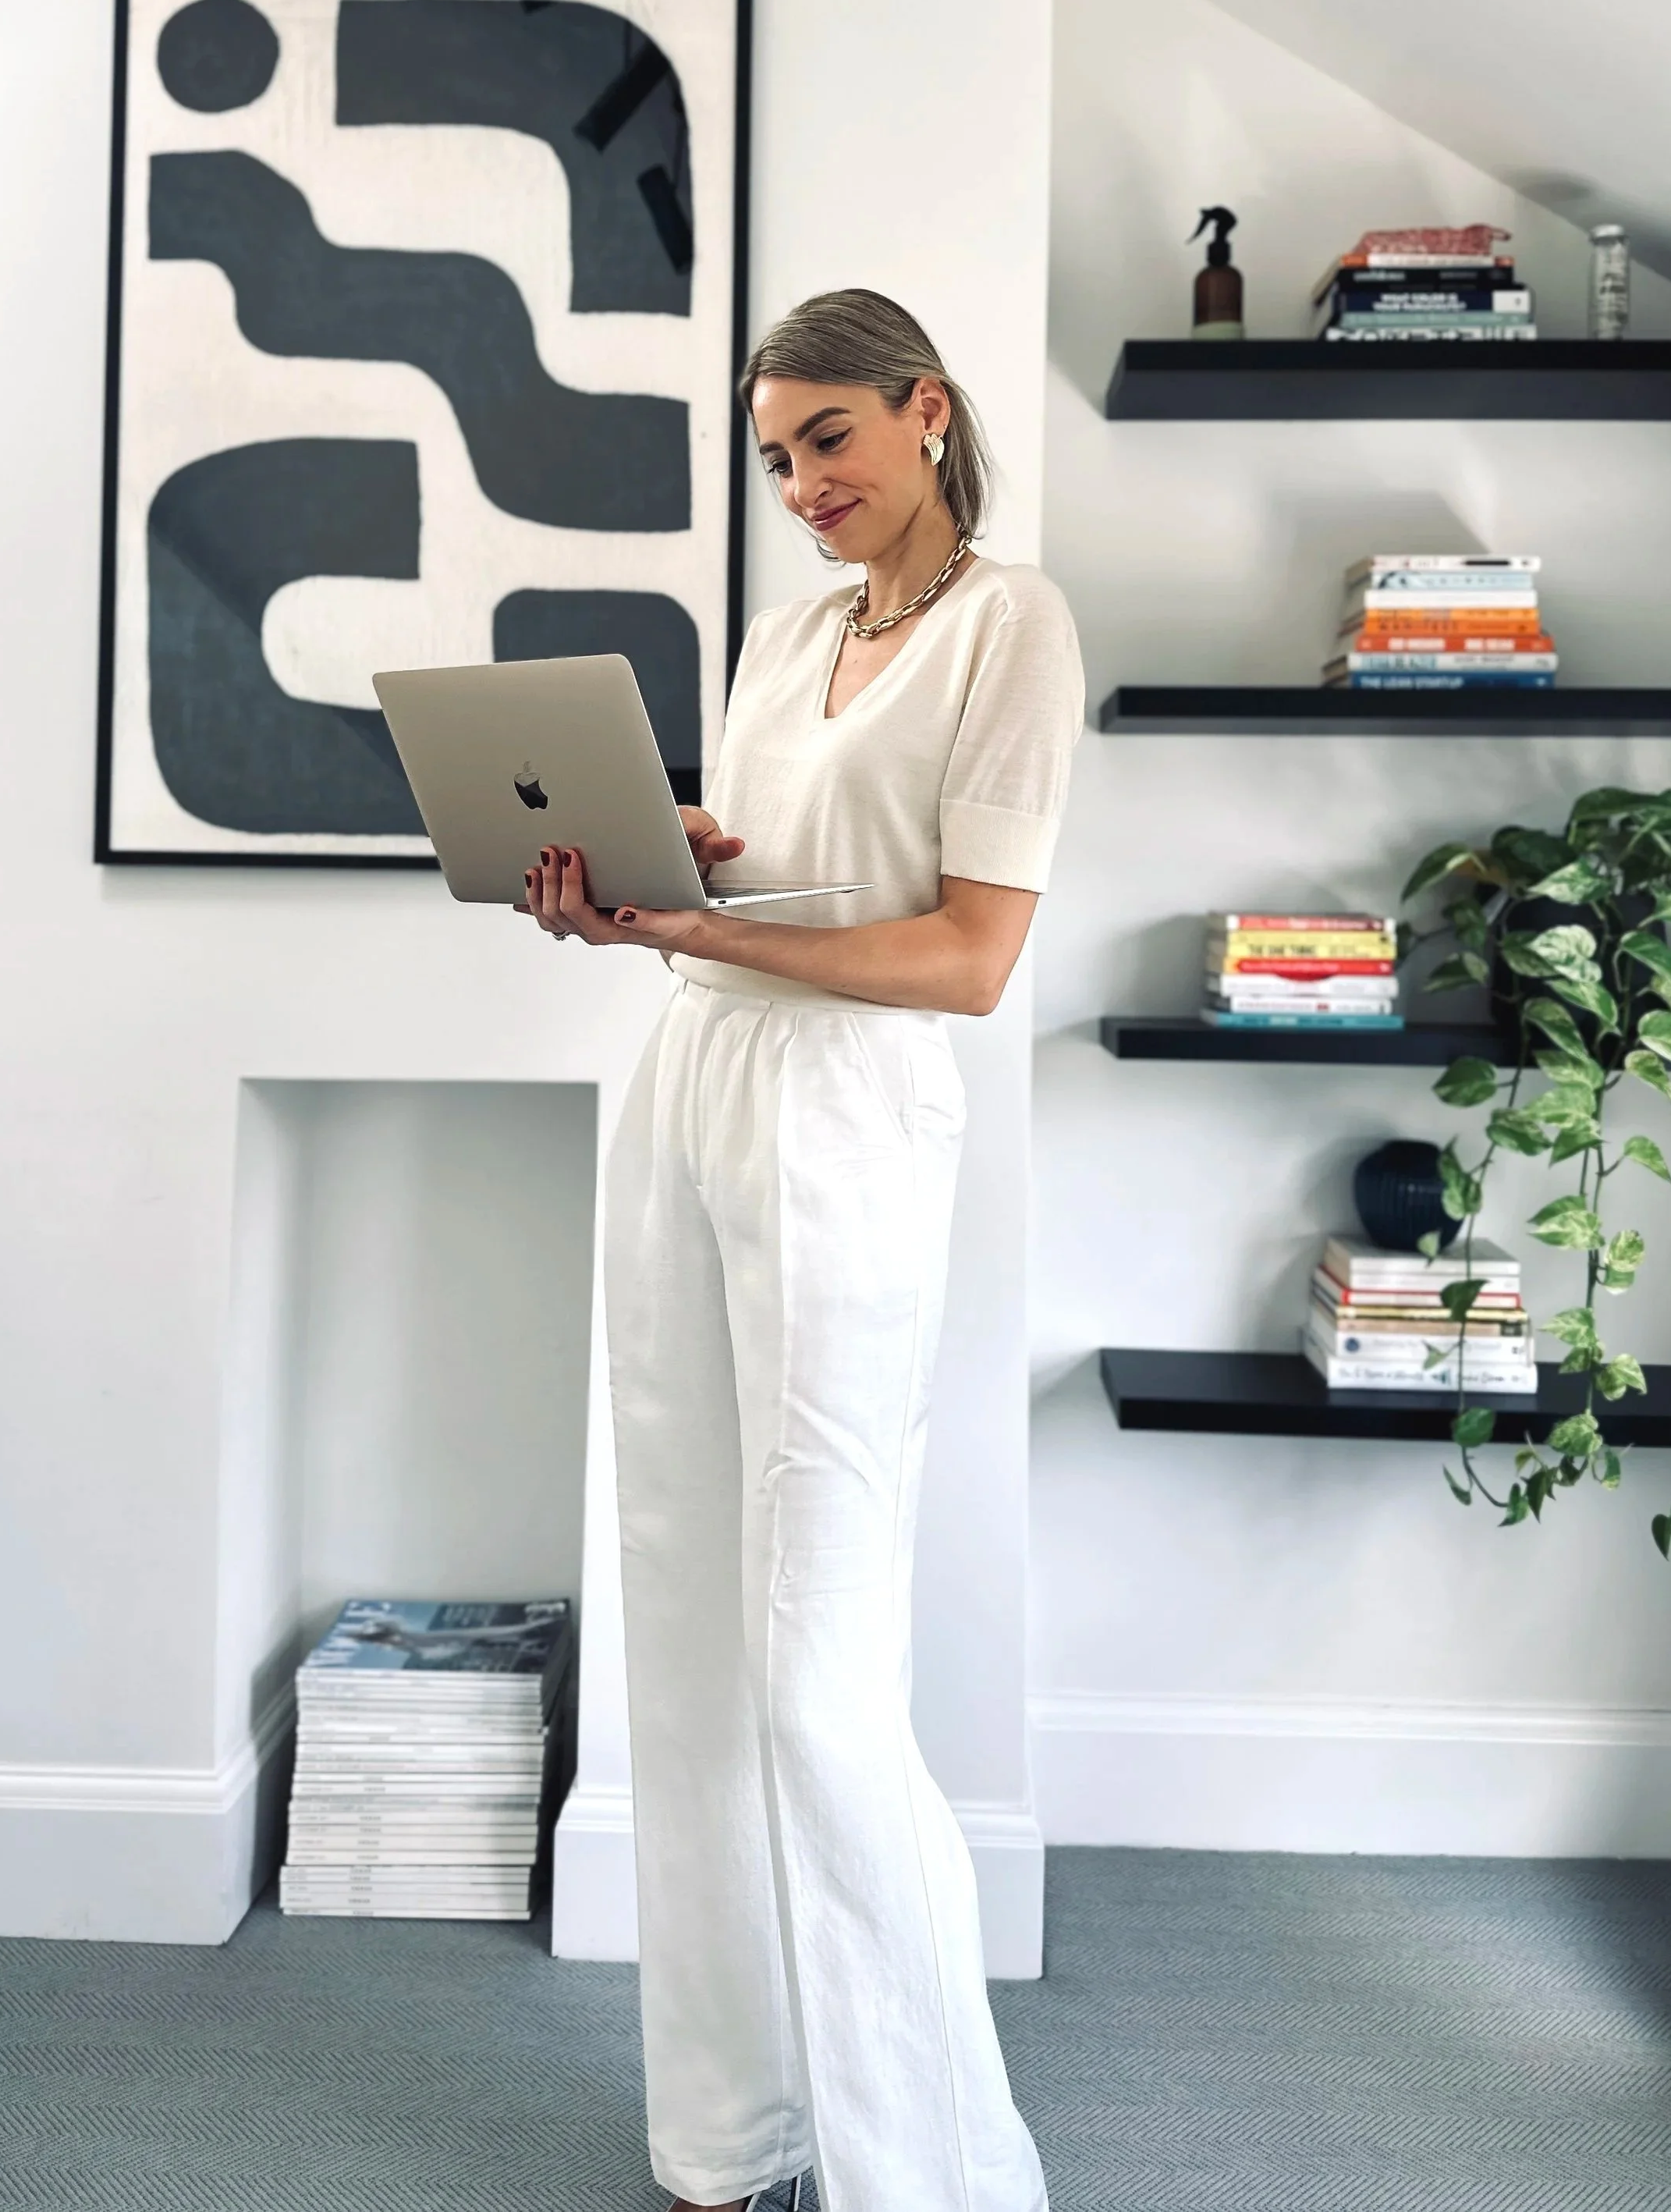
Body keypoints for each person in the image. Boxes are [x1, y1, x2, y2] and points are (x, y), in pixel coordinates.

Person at [519, 289, 1083, 2212]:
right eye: (775, 459)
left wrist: (693, 933)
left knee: (813, 1672)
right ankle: (730, 2134)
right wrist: (655, 872)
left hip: (847, 1113)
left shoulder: (1010, 623)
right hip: (689, 1088)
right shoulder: (783, 635)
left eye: (826, 439)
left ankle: (925, 2173)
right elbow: (786, 866)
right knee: (681, 1629)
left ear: (922, 413)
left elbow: (964, 957)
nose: (801, 485)